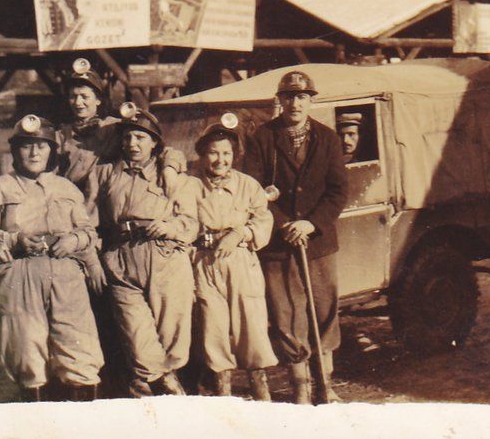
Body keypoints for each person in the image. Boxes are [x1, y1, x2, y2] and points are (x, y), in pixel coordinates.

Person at [0, 115, 105, 402]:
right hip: (18, 278)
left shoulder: (66, 189)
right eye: (26, 146)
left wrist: (74, 240)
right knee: (27, 358)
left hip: (66, 277)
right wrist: (15, 241)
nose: (34, 153)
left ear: (51, 150)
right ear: (15, 151)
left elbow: (87, 231)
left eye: (41, 146)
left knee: (79, 354)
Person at [245, 70, 348, 404]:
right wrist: (284, 224)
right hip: (278, 244)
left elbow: (337, 192)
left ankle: (325, 384)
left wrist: (310, 224)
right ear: (280, 100)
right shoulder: (263, 138)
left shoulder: (327, 139)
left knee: (324, 309)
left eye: (302, 97)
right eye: (289, 97)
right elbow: (253, 190)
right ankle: (300, 387)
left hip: (318, 243)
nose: (295, 103)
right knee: (287, 313)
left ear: (310, 100)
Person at [88, 103, 197, 397]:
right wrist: (93, 259)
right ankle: (163, 384)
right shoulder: (104, 173)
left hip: (165, 257)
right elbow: (88, 220)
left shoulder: (170, 174)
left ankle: (154, 385)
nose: (132, 144)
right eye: (127, 138)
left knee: (172, 331)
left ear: (155, 144)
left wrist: (170, 228)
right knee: (136, 333)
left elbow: (190, 223)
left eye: (140, 138)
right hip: (120, 257)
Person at [188, 118, 278, 401]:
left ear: (234, 155)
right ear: (203, 154)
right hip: (205, 263)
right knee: (213, 330)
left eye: (226, 153)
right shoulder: (190, 186)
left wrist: (240, 232)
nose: (220, 160)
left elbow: (263, 220)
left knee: (251, 325)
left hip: (241, 263)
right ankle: (224, 395)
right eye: (213, 152)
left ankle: (261, 393)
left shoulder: (248, 185)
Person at [57, 58, 187, 225]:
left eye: (84, 96)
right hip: (72, 208)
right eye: (73, 97)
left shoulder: (113, 127)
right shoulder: (61, 136)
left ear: (97, 100)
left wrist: (170, 168)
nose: (78, 102)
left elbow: (161, 148)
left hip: (106, 204)